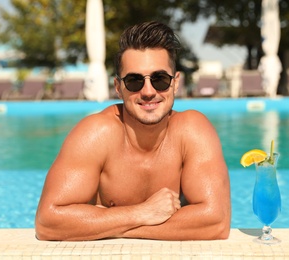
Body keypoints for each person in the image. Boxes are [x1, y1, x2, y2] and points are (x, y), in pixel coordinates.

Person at [35, 21, 230, 241]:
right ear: (118, 88)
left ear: (175, 83)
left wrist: (110, 222)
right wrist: (142, 212)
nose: (148, 91)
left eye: (160, 79)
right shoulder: (96, 134)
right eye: (134, 81)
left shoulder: (192, 131)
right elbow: (48, 222)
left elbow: (216, 222)